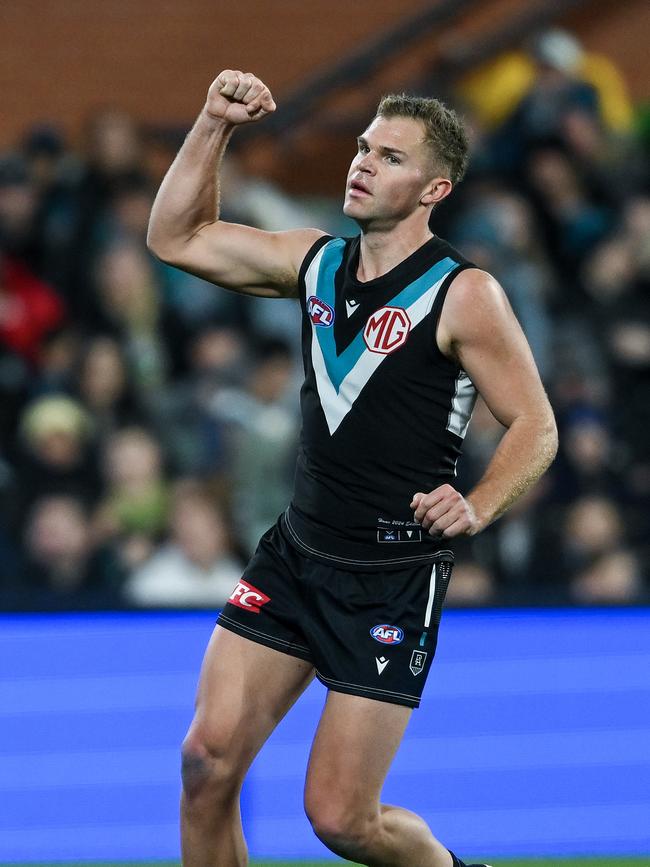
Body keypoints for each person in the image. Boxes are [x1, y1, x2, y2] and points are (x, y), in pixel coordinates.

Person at [148, 69, 558, 867]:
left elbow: (536, 425)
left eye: (389, 157)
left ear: (434, 187)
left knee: (340, 820)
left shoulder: (465, 295)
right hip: (297, 554)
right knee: (204, 763)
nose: (362, 163)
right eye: (364, 147)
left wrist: (476, 504)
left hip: (391, 576)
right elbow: (176, 240)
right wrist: (211, 124)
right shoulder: (317, 265)